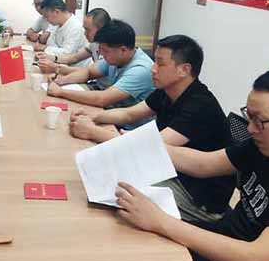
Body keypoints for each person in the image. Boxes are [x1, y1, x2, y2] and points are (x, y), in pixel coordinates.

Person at [116, 69, 269, 261]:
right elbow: (203, 164)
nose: (250, 129)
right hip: (222, 240)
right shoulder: (267, 145)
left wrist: (161, 222)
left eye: (260, 121)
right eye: (249, 117)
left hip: (241, 259)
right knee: (128, 239)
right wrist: (140, 145)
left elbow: (257, 259)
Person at [70, 34, 234, 222]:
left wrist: (92, 131)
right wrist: (92, 116)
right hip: (170, 172)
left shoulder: (200, 105)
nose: (153, 69)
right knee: (104, 173)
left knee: (116, 191)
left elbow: (151, 148)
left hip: (197, 197)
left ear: (184, 70)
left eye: (160, 63)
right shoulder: (167, 91)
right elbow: (129, 114)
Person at [47, 19, 154, 110]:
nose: (102, 54)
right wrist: (61, 80)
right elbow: (88, 72)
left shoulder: (140, 69)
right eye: (101, 49)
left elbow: (102, 99)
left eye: (105, 51)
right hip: (112, 112)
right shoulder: (115, 58)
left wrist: (60, 92)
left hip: (127, 125)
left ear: (123, 50)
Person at [37, 7, 111, 75]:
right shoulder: (94, 44)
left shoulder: (110, 50)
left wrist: (56, 68)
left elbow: (89, 72)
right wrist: (50, 57)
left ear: (101, 30)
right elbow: (74, 58)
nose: (85, 33)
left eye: (87, 30)